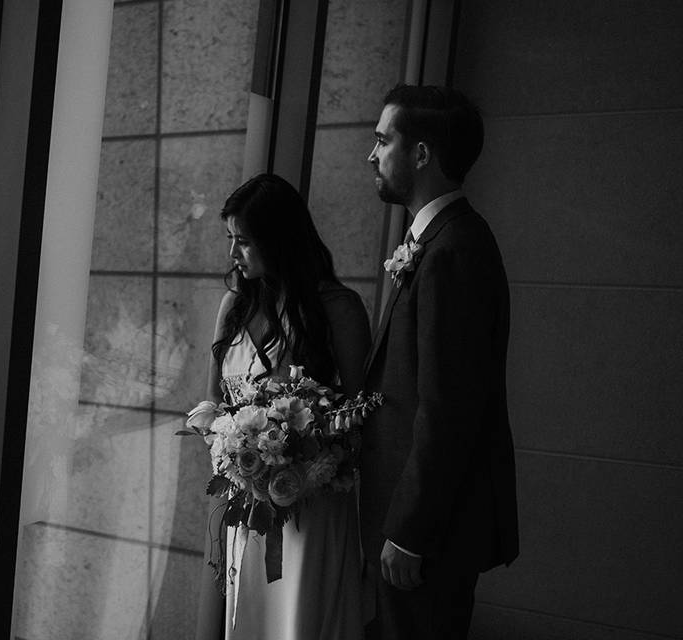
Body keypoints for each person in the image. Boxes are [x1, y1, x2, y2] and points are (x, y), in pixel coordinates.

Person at [359, 84, 519, 638]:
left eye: (383, 140)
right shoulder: (442, 241)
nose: (372, 155)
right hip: (417, 520)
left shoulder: (455, 251)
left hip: (430, 531)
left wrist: (409, 533)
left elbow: (448, 409)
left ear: (421, 154)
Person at [195, 173, 372, 640]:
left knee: (300, 623)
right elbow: (213, 405)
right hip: (249, 508)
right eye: (230, 239)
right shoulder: (233, 304)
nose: (233, 253)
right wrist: (233, 451)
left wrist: (304, 450)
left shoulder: (340, 309)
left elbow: (362, 418)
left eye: (245, 241)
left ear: (280, 241)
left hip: (312, 511)